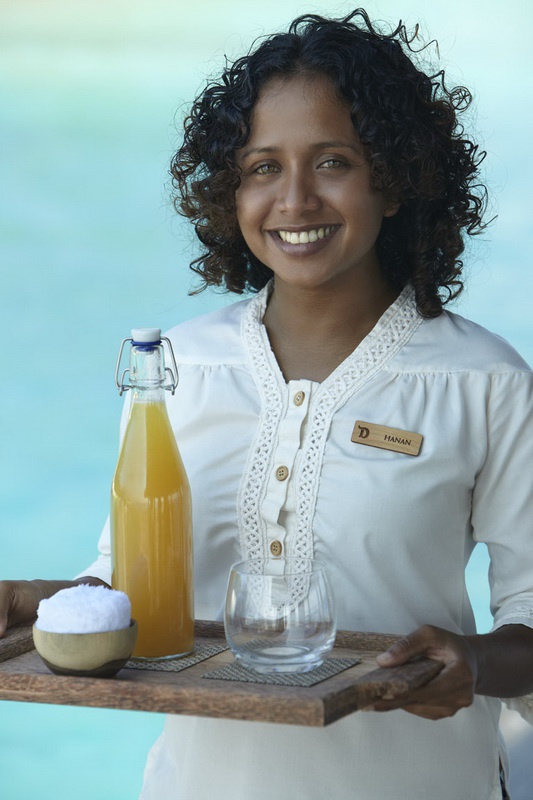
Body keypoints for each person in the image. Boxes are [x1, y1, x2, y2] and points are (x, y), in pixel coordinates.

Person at [1, 8, 533, 798]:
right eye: (261, 168)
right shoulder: (176, 367)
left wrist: (475, 661)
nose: (294, 199)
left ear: (393, 179)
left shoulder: (482, 381)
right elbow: (131, 579)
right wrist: (37, 601)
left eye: (332, 162)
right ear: (231, 190)